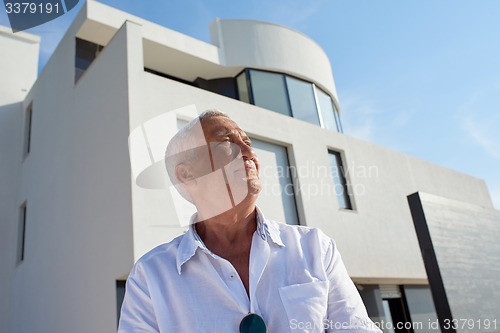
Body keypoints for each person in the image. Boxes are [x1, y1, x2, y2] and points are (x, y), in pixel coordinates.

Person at [118, 110, 382, 332]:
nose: (248, 151)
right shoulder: (150, 277)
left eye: (247, 142)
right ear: (187, 174)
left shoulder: (315, 248)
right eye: (227, 142)